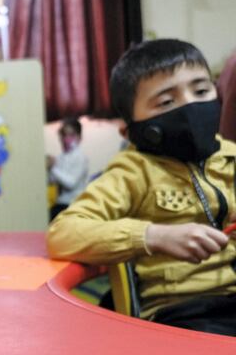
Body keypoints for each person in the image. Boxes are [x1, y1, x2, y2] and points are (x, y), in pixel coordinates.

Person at [48, 38, 236, 335]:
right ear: (131, 130)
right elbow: (63, 234)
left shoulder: (231, 156)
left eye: (201, 91)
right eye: (166, 102)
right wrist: (154, 235)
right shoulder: (132, 172)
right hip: (183, 313)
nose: (190, 105)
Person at [47, 117, 89, 220]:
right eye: (63, 135)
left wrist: (52, 168)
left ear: (79, 138)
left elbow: (71, 183)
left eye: (71, 135)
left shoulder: (81, 157)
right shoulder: (61, 157)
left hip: (74, 206)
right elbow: (51, 181)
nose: (66, 139)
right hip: (60, 205)